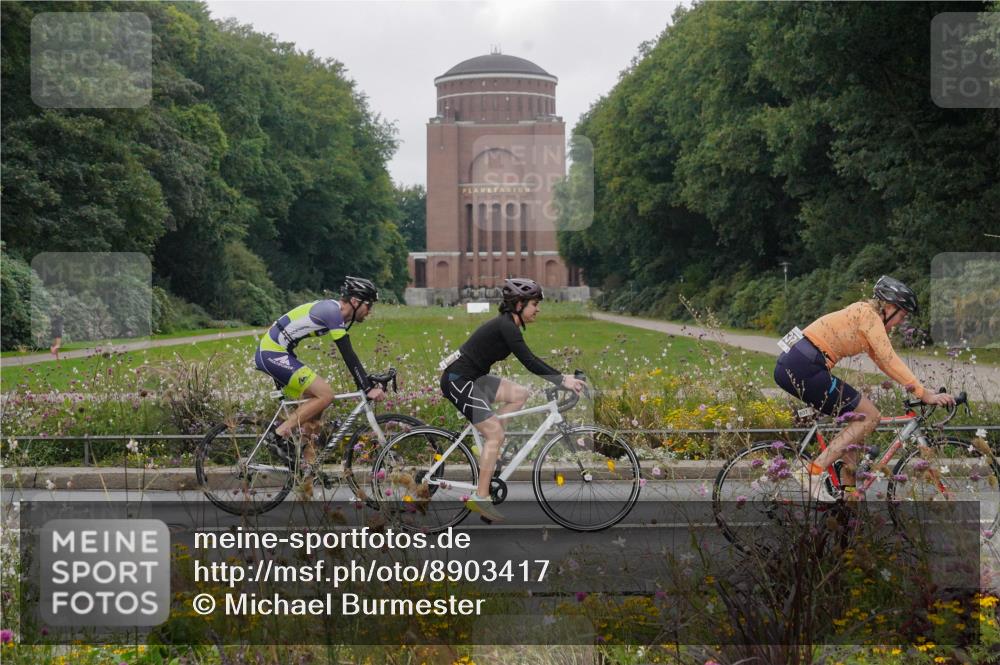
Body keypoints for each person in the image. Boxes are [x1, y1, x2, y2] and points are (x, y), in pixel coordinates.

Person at [774, 275, 956, 501]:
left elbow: (882, 361)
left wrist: (915, 388)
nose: (900, 321)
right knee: (870, 416)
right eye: (901, 315)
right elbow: (890, 359)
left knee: (858, 419)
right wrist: (924, 394)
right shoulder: (870, 317)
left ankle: (848, 494)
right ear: (889, 306)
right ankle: (812, 472)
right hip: (804, 366)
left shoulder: (864, 313)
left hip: (798, 363)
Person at [440, 277, 586, 522]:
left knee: (520, 394)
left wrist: (564, 377)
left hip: (473, 378)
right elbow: (529, 361)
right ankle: (481, 497)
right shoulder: (506, 326)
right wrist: (562, 380)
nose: (537, 309)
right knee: (495, 433)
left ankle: (490, 448)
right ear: (518, 303)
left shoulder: (509, 325)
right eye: (534, 304)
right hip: (458, 380)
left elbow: (532, 359)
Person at [254, 277, 386, 469]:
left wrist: (366, 382)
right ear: (355, 302)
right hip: (271, 353)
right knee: (326, 395)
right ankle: (279, 434)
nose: (370, 311)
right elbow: (348, 353)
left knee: (315, 413)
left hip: (280, 353)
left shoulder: (334, 313)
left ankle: (308, 469)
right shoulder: (332, 312)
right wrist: (366, 386)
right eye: (369, 304)